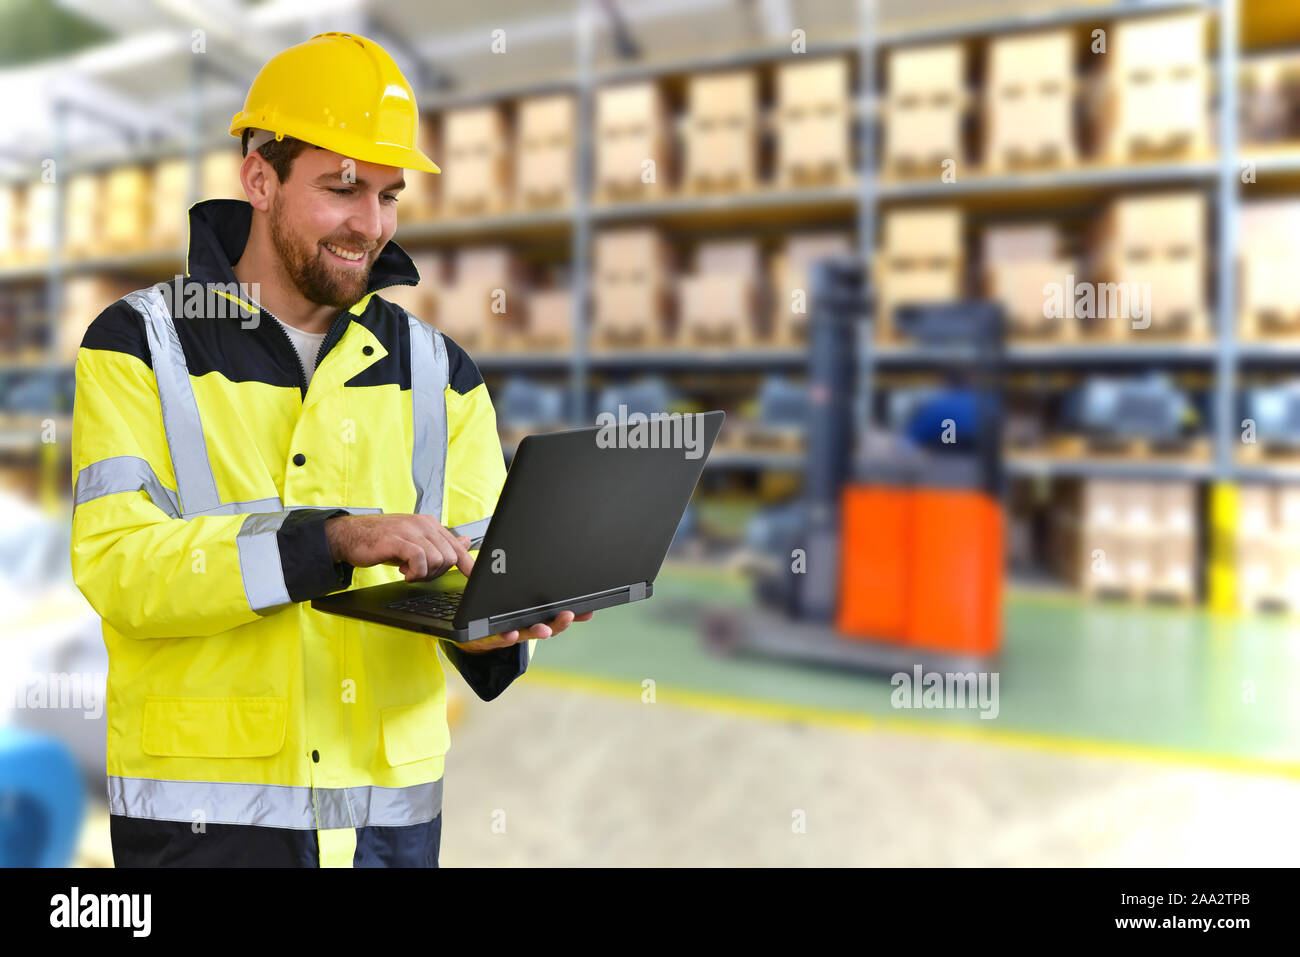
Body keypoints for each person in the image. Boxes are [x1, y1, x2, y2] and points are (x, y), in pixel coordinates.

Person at [69, 32, 591, 868]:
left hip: (387, 831)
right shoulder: (142, 343)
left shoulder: (438, 372)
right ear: (259, 177)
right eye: (342, 187)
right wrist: (331, 539)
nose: (370, 224)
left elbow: (475, 560)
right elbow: (120, 566)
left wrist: (500, 620)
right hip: (203, 828)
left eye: (388, 194)